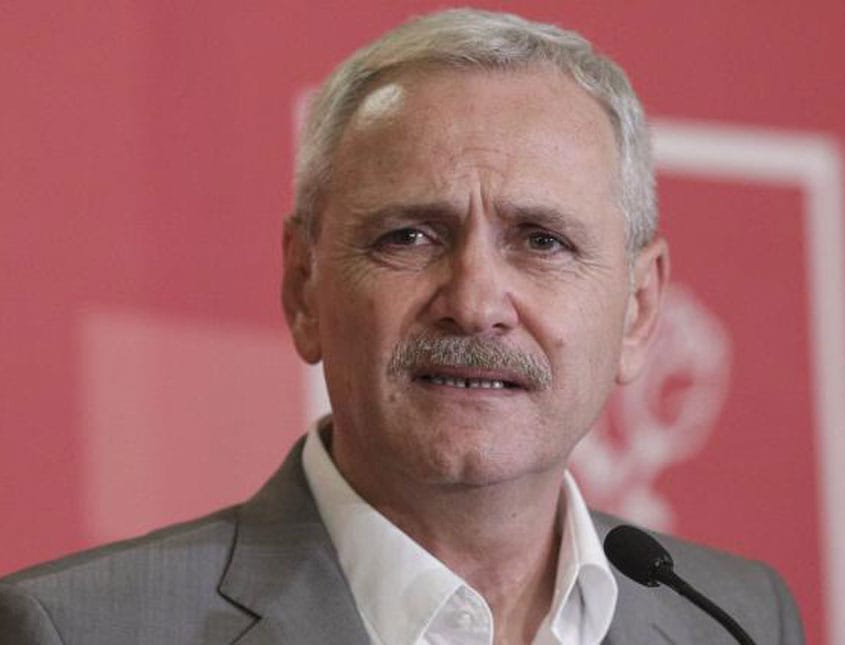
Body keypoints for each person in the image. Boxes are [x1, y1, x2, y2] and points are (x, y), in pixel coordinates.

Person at [0, 9, 804, 644]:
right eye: (410, 236)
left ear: (638, 308)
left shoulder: (736, 619)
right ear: (304, 288)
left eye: (542, 241)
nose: (475, 302)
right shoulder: (75, 629)